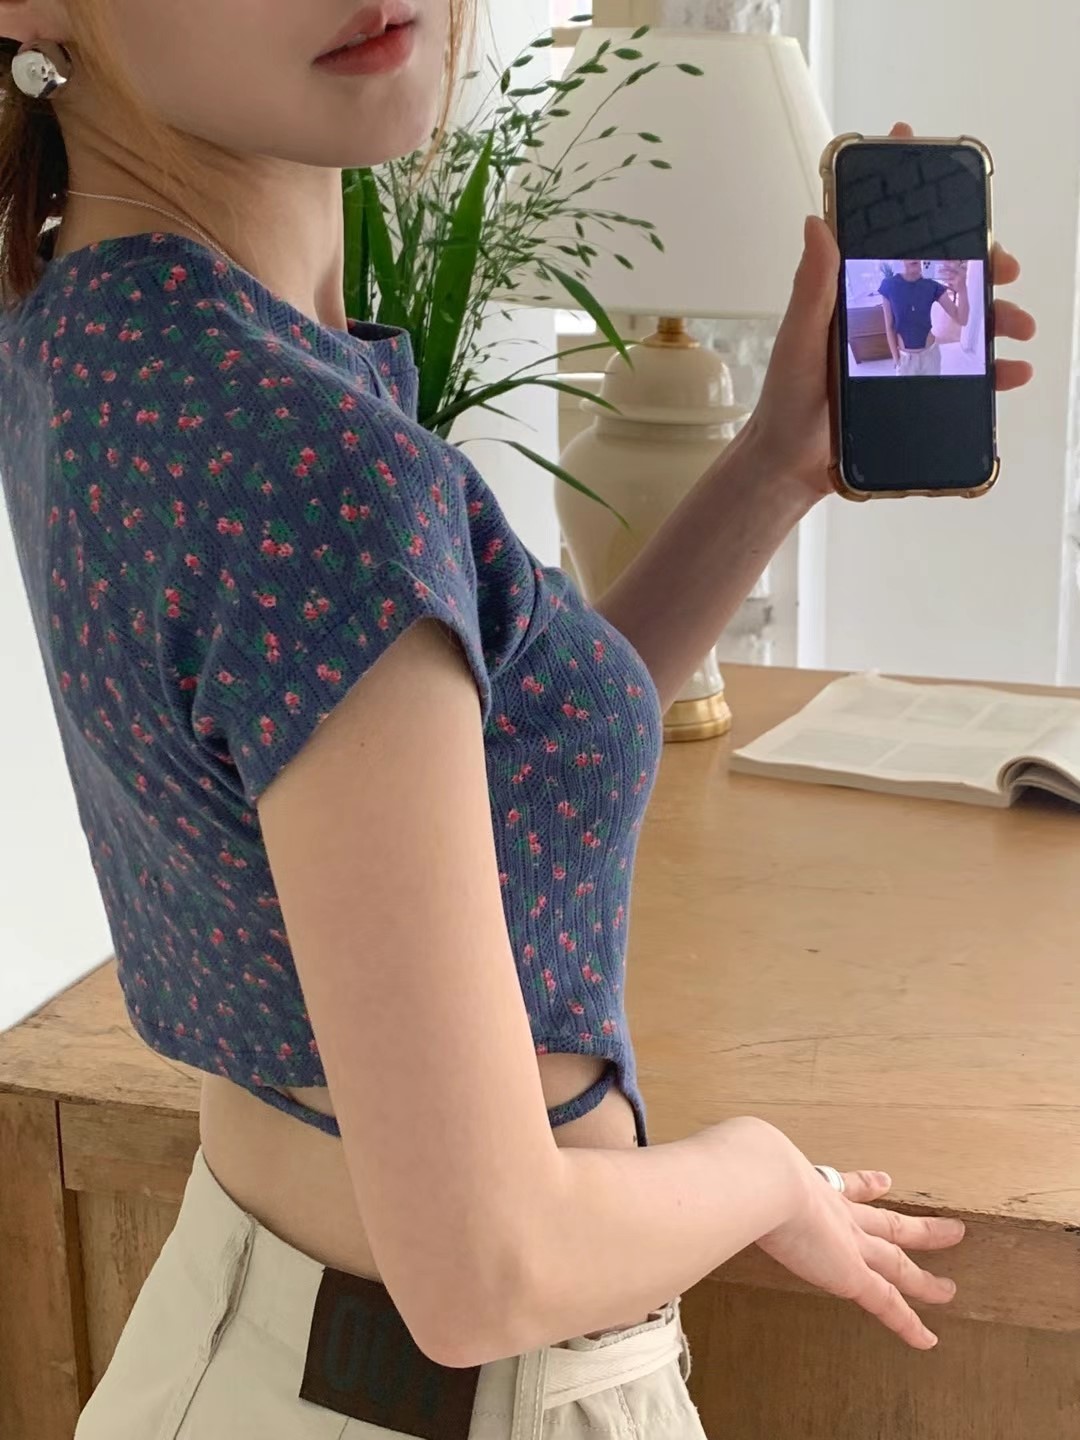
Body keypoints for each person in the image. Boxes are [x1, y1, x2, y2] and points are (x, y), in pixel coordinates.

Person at [0, 4, 1035, 1437]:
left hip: (253, 1340)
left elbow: (476, 759)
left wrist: (772, 467)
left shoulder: (107, 332)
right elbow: (492, 1269)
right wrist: (763, 1172)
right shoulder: (307, 461)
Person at [879, 258, 972, 376]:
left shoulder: (932, 286)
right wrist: (896, 359)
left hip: (930, 357)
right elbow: (889, 326)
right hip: (905, 360)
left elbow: (962, 319)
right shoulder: (889, 285)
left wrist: (962, 288)